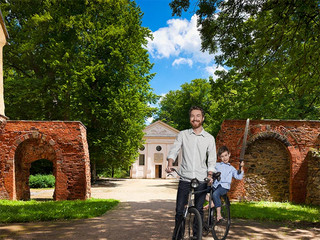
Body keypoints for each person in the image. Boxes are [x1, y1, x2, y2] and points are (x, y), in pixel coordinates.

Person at [166, 106, 217, 239]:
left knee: (198, 211)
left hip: (201, 179)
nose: (195, 118)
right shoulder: (183, 134)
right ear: (190, 119)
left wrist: (210, 175)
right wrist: (170, 163)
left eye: (198, 115)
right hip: (185, 177)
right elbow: (174, 150)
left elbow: (211, 159)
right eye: (192, 116)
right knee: (179, 212)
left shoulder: (209, 138)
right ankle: (178, 237)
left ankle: (196, 236)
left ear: (203, 118)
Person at [212, 145, 244, 222]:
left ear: (229, 154)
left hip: (224, 187)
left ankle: (219, 214)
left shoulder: (231, 168)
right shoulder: (217, 165)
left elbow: (238, 177)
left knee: (215, 194)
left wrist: (241, 167)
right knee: (202, 190)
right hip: (215, 185)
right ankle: (212, 203)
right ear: (219, 157)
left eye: (226, 155)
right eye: (222, 156)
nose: (225, 158)